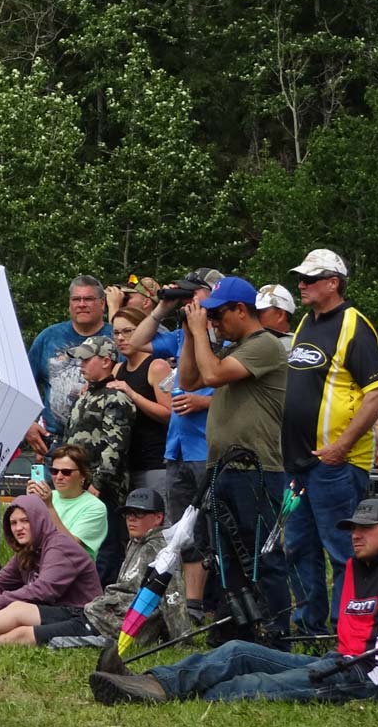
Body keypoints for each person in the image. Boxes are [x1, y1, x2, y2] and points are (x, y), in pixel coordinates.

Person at [91, 496, 378, 705]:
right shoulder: (355, 567)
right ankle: (150, 682)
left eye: (367, 528)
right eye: (354, 528)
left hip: (364, 677)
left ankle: (160, 692)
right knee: (236, 651)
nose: (356, 535)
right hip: (338, 662)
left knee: (242, 687)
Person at [179, 274, 291, 643]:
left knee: (262, 556)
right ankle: (235, 629)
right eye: (208, 317)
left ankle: (275, 631)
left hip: (256, 470)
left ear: (240, 310)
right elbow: (190, 380)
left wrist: (199, 333)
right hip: (224, 467)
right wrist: (187, 331)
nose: (212, 323)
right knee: (225, 558)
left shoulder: (265, 345)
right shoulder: (233, 348)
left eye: (217, 316)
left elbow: (210, 373)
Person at [281, 249, 378, 637]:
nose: (301, 285)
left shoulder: (354, 325)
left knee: (343, 552)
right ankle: (309, 630)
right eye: (300, 278)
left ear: (333, 282)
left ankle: (347, 631)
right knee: (299, 549)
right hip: (299, 461)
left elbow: (376, 393)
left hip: (335, 464)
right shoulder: (307, 321)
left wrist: (342, 446)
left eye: (310, 278)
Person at [126, 267, 223, 619]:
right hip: (178, 446)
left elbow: (243, 394)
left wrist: (202, 402)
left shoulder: (225, 335)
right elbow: (135, 342)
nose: (187, 301)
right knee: (183, 528)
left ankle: (218, 602)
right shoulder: (182, 335)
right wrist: (162, 308)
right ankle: (193, 606)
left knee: (214, 528)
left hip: (207, 445)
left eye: (192, 294)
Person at [17, 487, 186, 648]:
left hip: (114, 629)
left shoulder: (164, 551)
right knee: (21, 615)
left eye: (139, 514)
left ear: (158, 517)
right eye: (127, 514)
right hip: (99, 614)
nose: (131, 519)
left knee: (24, 634)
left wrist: (182, 640)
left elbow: (173, 598)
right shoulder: (135, 542)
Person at [0, 496, 102, 641]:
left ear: (39, 520)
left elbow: (43, 590)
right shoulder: (28, 550)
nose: (18, 528)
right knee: (16, 619)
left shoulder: (59, 547)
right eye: (13, 523)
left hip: (84, 616)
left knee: (18, 616)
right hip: (55, 611)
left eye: (25, 521)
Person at [61, 334, 134, 584]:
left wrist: (98, 484)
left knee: (106, 545)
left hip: (104, 490)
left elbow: (116, 445)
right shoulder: (84, 396)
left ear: (106, 361)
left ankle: (101, 598)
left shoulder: (116, 398)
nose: (80, 364)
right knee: (78, 542)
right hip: (78, 485)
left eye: (86, 359)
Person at [23, 275, 111, 456]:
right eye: (76, 299)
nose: (82, 304)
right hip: (54, 444)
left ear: (102, 304)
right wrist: (27, 424)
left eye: (88, 299)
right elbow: (24, 386)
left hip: (104, 444)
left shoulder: (116, 337)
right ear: (70, 304)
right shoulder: (49, 337)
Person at [108, 305, 173, 505]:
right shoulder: (117, 368)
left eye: (127, 331)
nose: (121, 338)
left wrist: (132, 393)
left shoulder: (157, 366)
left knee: (156, 524)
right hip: (127, 464)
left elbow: (169, 414)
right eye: (116, 333)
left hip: (154, 462)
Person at [22, 443, 107, 559]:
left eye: (66, 472)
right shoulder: (46, 497)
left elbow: (71, 548)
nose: (59, 477)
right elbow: (26, 539)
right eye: (54, 471)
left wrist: (49, 507)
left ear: (83, 476)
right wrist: (29, 504)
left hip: (72, 571)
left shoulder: (95, 507)